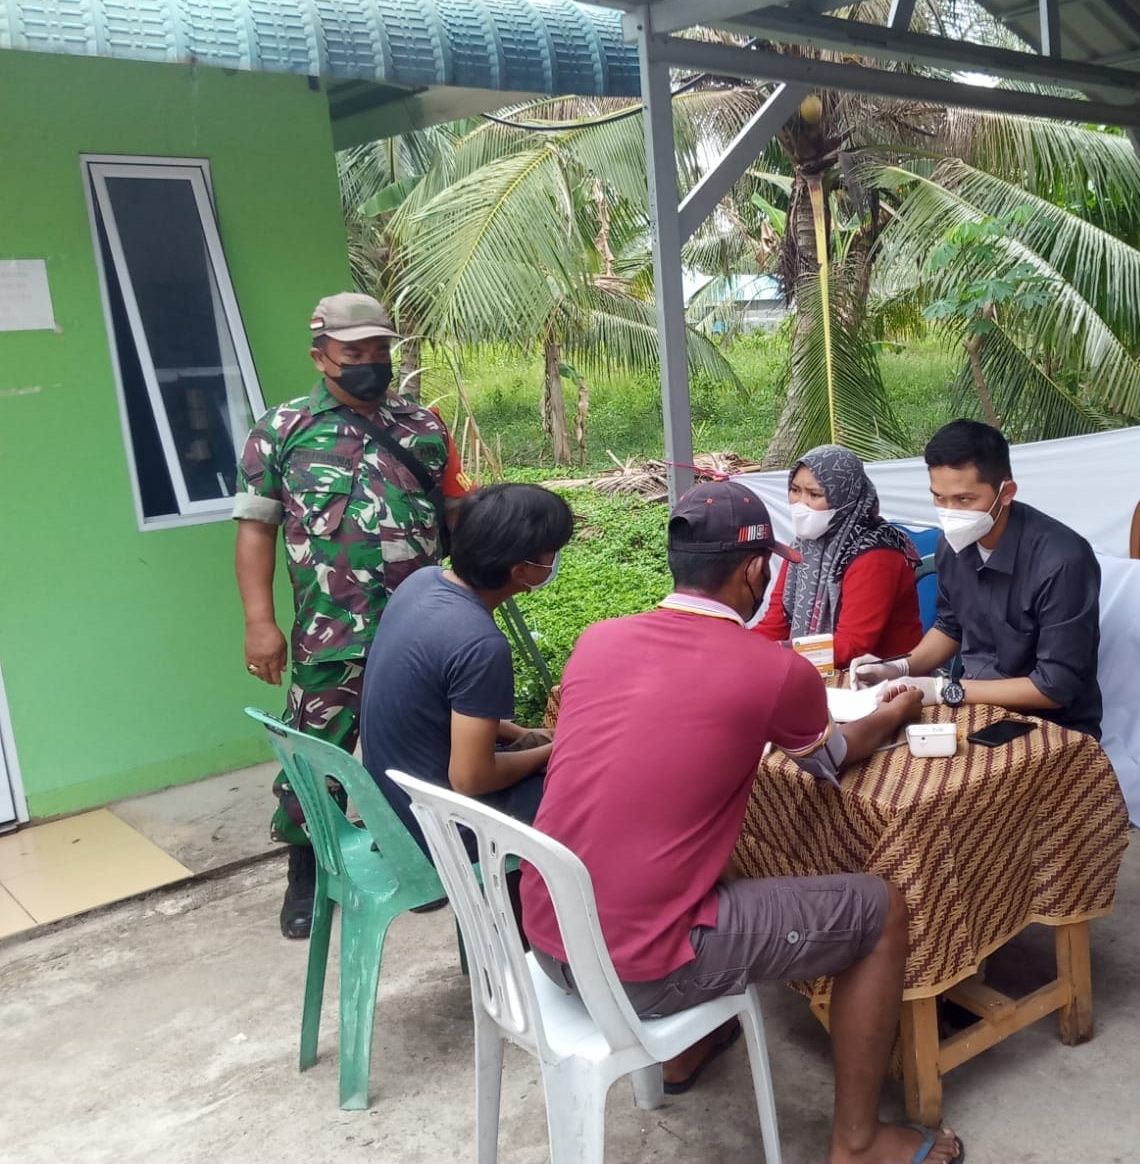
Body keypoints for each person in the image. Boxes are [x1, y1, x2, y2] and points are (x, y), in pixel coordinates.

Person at [520, 481, 963, 1164]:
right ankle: (860, 1142)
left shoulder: (599, 640)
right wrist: (895, 712)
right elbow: (834, 757)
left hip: (548, 940)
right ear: (757, 570)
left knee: (684, 845)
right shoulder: (770, 667)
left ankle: (684, 1050)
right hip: (634, 968)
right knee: (881, 909)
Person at [233, 292, 474, 939]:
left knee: (430, 746)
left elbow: (459, 517)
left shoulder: (423, 427)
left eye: (379, 351)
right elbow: (255, 531)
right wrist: (261, 621)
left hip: (424, 627)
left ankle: (427, 859)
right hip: (329, 630)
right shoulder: (281, 431)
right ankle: (306, 868)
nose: (370, 363)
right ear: (321, 358)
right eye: (354, 354)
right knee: (317, 754)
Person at [851, 419, 1102, 740]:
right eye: (939, 498)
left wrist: (946, 690)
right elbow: (950, 627)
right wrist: (898, 668)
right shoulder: (952, 546)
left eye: (964, 500)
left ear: (1006, 492)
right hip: (972, 708)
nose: (950, 512)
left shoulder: (1062, 562)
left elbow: (1055, 687)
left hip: (1052, 727)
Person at [361, 483, 574, 855]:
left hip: (392, 806)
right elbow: (471, 778)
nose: (555, 560)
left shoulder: (422, 581)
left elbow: (441, 703)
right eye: (552, 552)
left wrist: (522, 734)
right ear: (521, 570)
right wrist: (559, 750)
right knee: (587, 797)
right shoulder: (480, 644)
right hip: (438, 830)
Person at [753, 444, 924, 666]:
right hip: (817, 668)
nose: (801, 503)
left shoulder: (876, 553)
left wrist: (775, 653)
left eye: (815, 494)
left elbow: (853, 646)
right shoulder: (803, 546)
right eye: (795, 490)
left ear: (845, 497)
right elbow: (776, 623)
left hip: (885, 677)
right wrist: (737, 645)